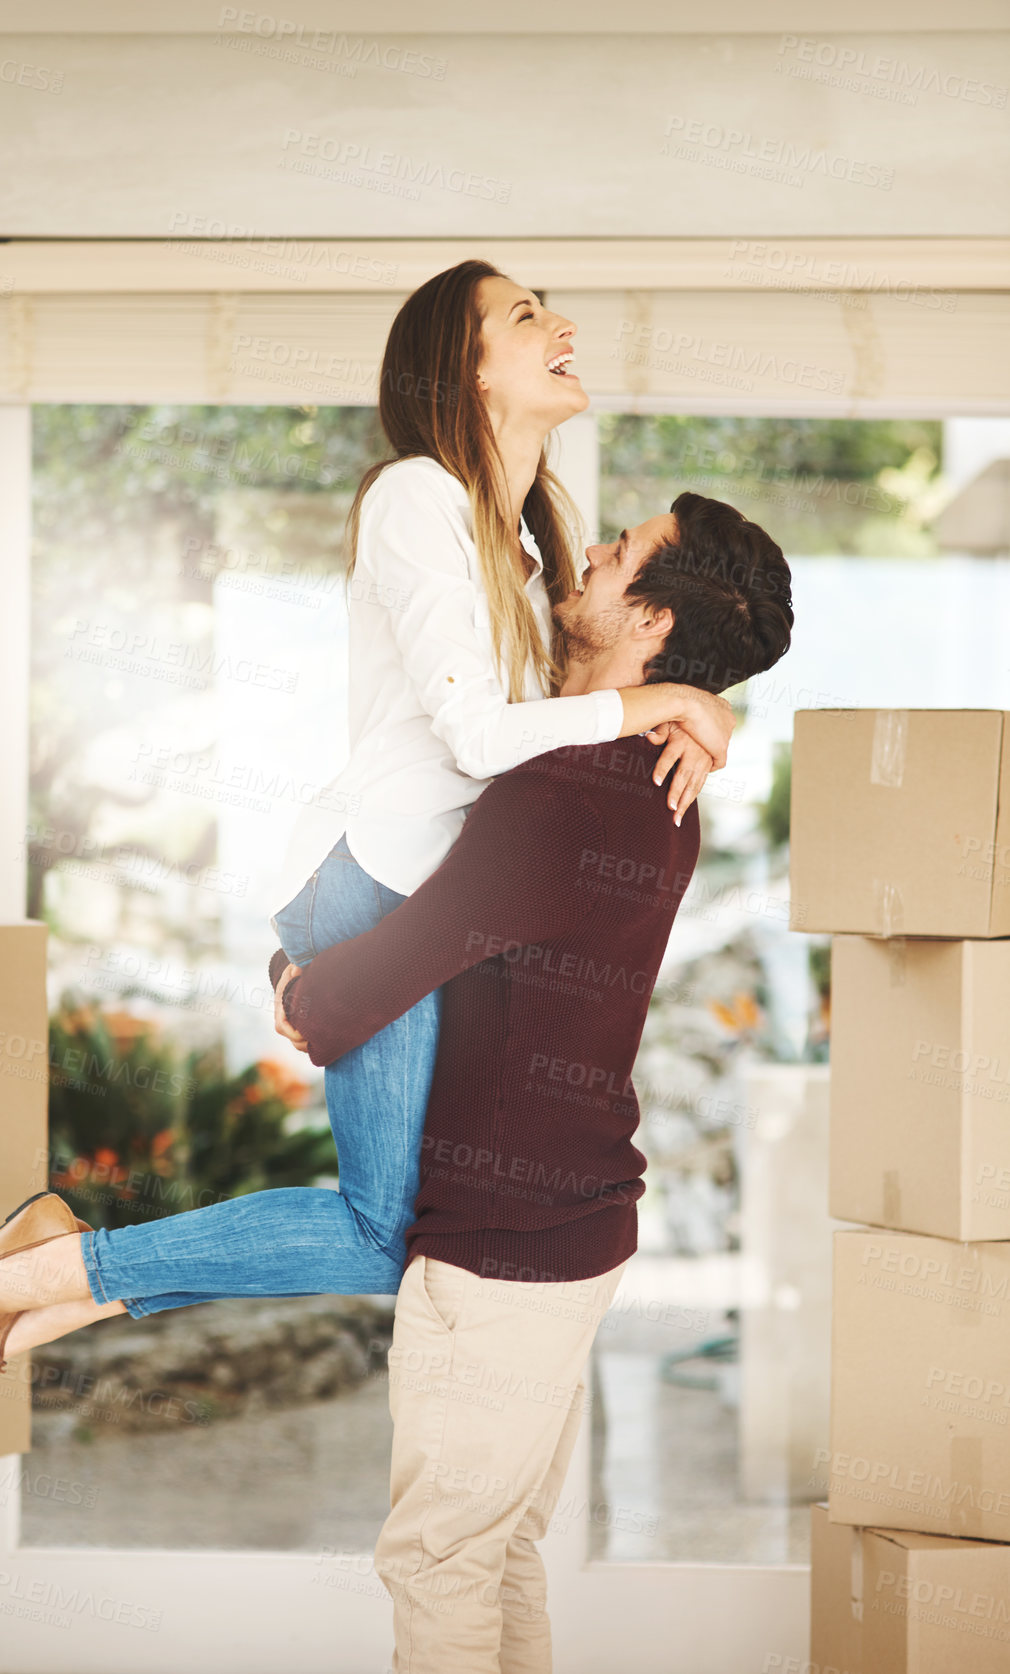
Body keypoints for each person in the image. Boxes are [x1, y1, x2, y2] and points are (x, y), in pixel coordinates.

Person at [0, 264, 735, 1383]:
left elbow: (574, 715)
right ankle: (73, 1269)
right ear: (467, 369)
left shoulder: (526, 543)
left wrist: (700, 702)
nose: (564, 325)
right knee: (387, 1233)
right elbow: (478, 739)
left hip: (417, 892)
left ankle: (71, 1275)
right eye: (527, 316)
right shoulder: (418, 499)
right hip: (377, 883)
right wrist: (664, 699)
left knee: (397, 1232)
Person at [268, 492, 794, 1673]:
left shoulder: (564, 791)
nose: (592, 551)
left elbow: (347, 1003)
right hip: (568, 1226)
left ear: (650, 626)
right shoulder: (645, 773)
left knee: (443, 1561)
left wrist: (286, 973)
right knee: (492, 1552)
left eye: (621, 553)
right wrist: (700, 709)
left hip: (501, 1246)